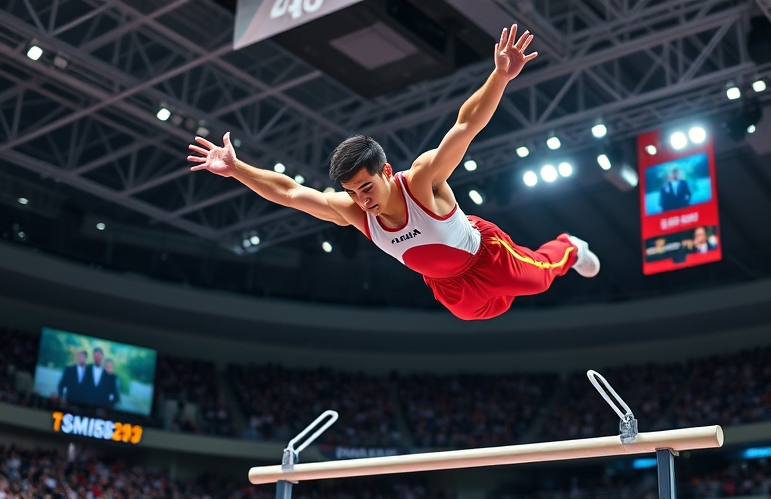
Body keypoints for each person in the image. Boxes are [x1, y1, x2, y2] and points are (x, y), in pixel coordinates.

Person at [187, 25, 599, 320]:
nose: (361, 199)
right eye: (352, 192)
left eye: (366, 186)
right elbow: (291, 193)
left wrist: (499, 77)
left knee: (537, 281)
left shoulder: (421, 181)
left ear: (386, 170)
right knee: (479, 314)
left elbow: (465, 126)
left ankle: (570, 246)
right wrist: (237, 168)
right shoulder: (354, 210)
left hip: (484, 256)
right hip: (449, 287)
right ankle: (503, 295)